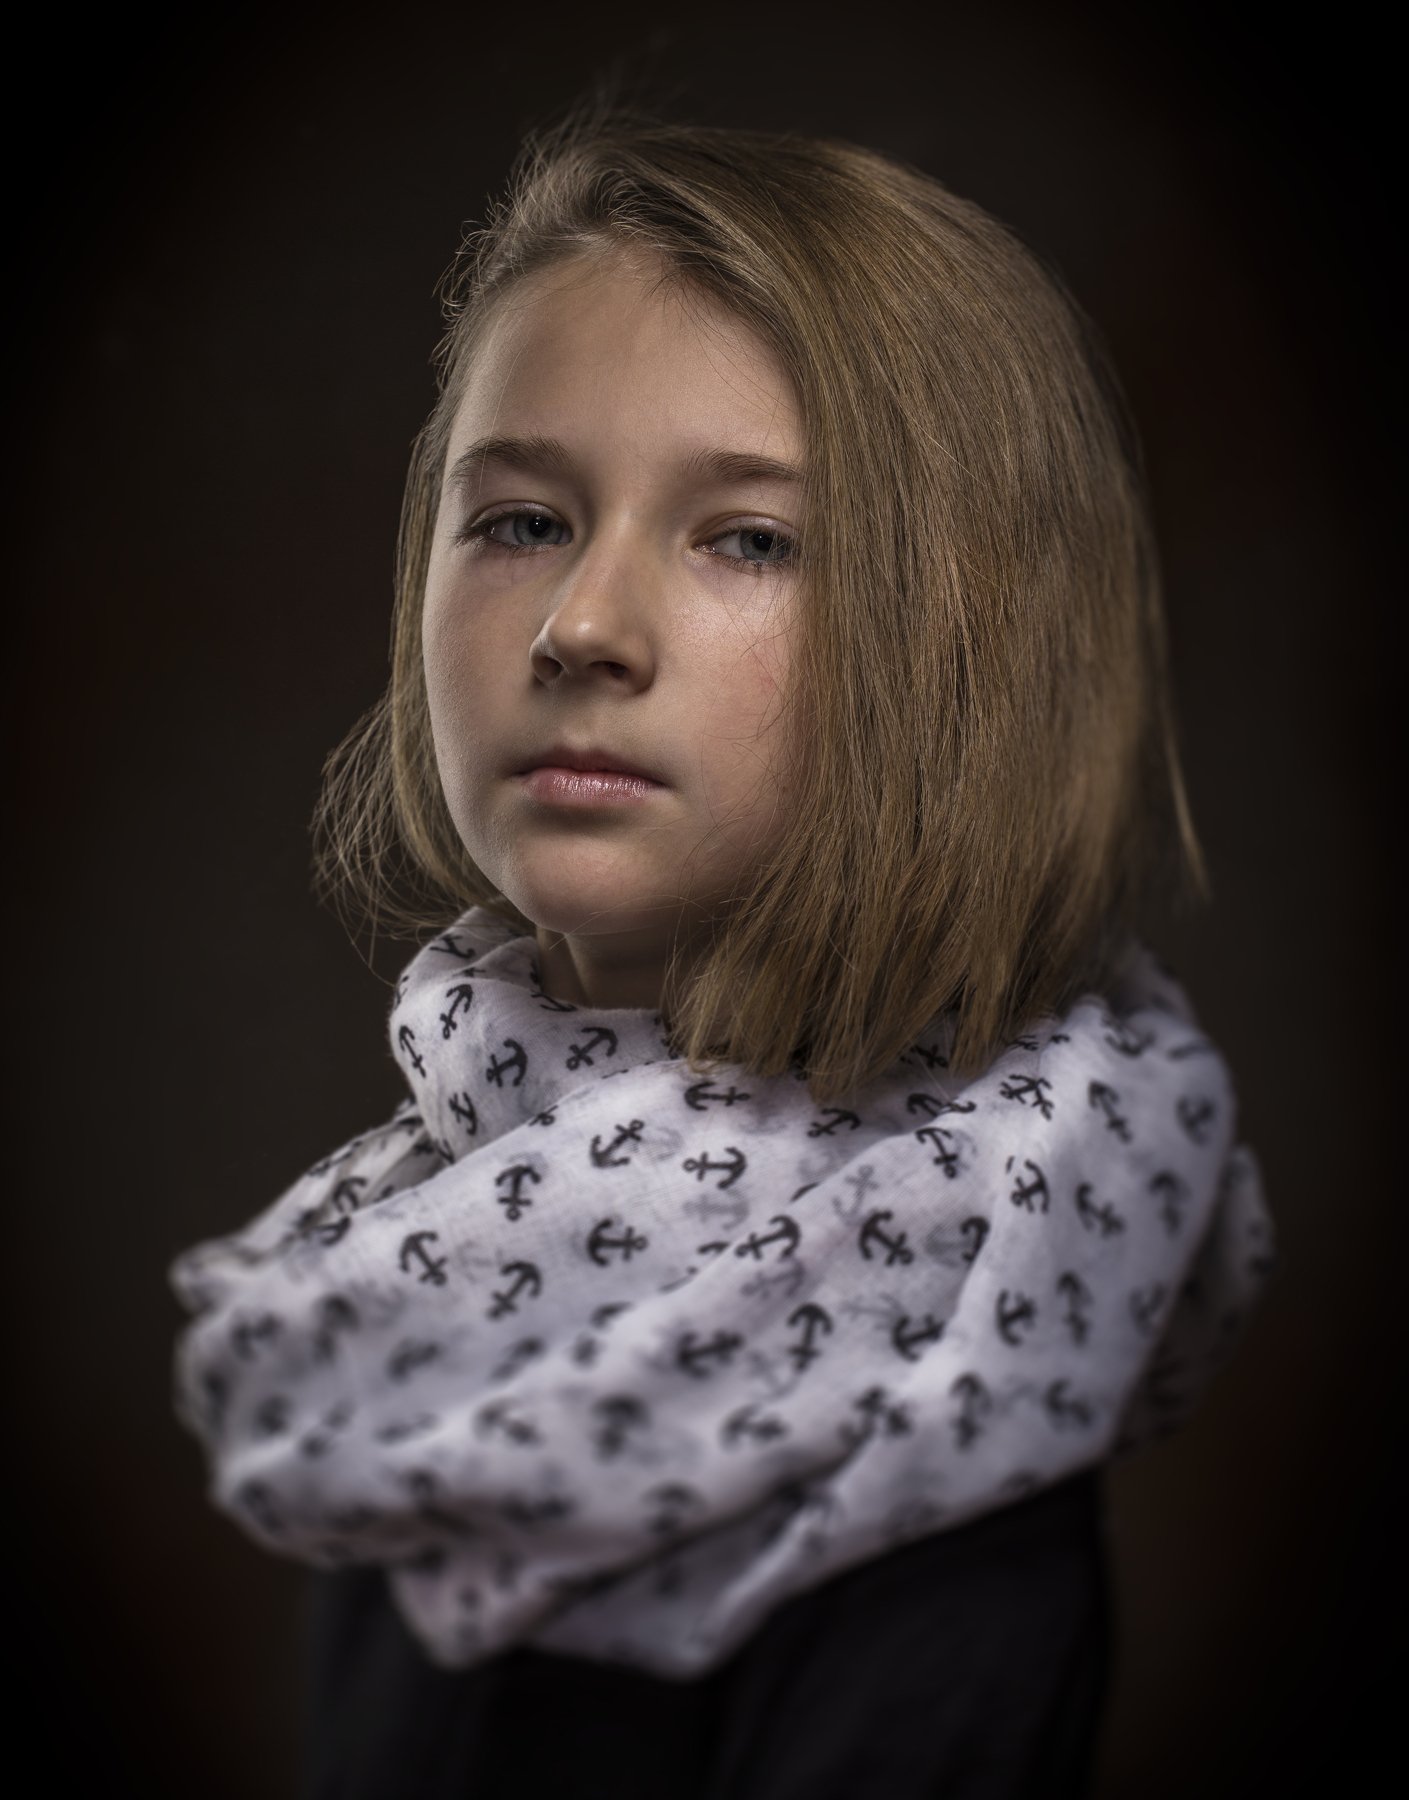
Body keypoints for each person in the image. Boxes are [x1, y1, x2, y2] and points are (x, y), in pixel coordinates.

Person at [170, 104, 1273, 1800]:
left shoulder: (944, 1351)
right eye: (521, 520)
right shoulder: (420, 1278)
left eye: (748, 539)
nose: (582, 628)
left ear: (966, 641)